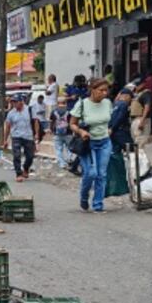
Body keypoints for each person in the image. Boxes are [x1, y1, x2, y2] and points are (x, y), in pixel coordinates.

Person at [70, 78, 114, 212]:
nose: (104, 93)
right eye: (101, 90)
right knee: (90, 173)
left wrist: (109, 129)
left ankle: (98, 204)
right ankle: (84, 196)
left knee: (101, 174)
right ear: (92, 90)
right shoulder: (82, 104)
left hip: (105, 142)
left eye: (106, 90)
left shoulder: (107, 103)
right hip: (87, 143)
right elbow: (72, 124)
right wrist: (81, 131)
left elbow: (108, 120)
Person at [5, 97, 36, 182]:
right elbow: (7, 126)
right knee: (16, 155)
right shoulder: (11, 113)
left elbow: (35, 122)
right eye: (13, 102)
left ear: (21, 102)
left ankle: (26, 168)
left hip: (28, 136)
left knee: (30, 156)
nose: (14, 104)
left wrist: (36, 134)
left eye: (16, 102)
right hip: (16, 136)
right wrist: (5, 139)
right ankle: (18, 174)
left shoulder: (29, 110)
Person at [50, 98, 72, 169]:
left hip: (57, 133)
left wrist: (51, 130)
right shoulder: (69, 111)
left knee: (58, 149)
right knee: (70, 147)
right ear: (65, 103)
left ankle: (62, 164)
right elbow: (72, 122)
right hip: (68, 132)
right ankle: (69, 159)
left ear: (57, 103)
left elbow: (51, 122)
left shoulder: (54, 111)